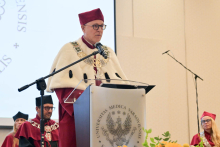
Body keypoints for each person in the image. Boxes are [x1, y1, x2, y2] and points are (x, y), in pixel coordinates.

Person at [46, 8, 128, 147]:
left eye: (102, 26)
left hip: (106, 119)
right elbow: (62, 88)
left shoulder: (108, 52)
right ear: (83, 27)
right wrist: (87, 109)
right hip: (76, 120)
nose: (100, 30)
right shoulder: (69, 49)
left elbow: (120, 84)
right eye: (95, 26)